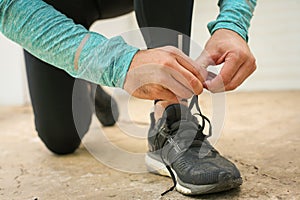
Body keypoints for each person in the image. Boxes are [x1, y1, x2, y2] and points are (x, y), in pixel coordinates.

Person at [0, 0, 257, 196]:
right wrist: (115, 65)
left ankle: (171, 117)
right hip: (50, 7)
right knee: (60, 139)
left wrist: (232, 24)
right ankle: (89, 85)